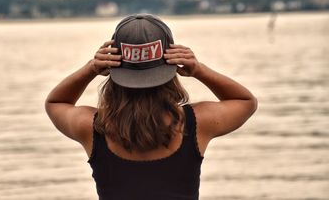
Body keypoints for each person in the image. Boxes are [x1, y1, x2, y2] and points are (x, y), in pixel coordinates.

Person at [45, 14, 258, 200]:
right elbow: (245, 102)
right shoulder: (196, 124)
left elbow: (56, 103)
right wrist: (199, 70)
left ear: (113, 67)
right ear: (171, 65)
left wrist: (91, 68)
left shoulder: (92, 127)